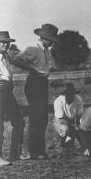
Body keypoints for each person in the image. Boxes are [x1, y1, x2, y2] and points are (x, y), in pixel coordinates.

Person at [12, 23, 59, 159]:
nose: (51, 43)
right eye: (50, 40)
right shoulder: (32, 48)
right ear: (44, 37)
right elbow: (15, 59)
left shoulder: (45, 50)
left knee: (43, 118)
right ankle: (34, 152)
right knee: (36, 118)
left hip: (42, 83)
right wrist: (31, 69)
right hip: (34, 83)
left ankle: (40, 150)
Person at [0, 31, 24, 166]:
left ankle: (15, 153)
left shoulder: (5, 55)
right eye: (3, 42)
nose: (6, 44)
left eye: (8, 42)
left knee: (18, 120)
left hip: (7, 89)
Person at [53, 83, 83, 147]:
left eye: (72, 94)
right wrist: (71, 128)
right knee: (65, 129)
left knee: (71, 142)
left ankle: (69, 143)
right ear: (65, 95)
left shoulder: (78, 99)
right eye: (68, 94)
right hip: (60, 121)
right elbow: (61, 117)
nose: (70, 96)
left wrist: (77, 127)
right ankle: (59, 141)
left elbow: (79, 115)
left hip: (72, 120)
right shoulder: (58, 101)